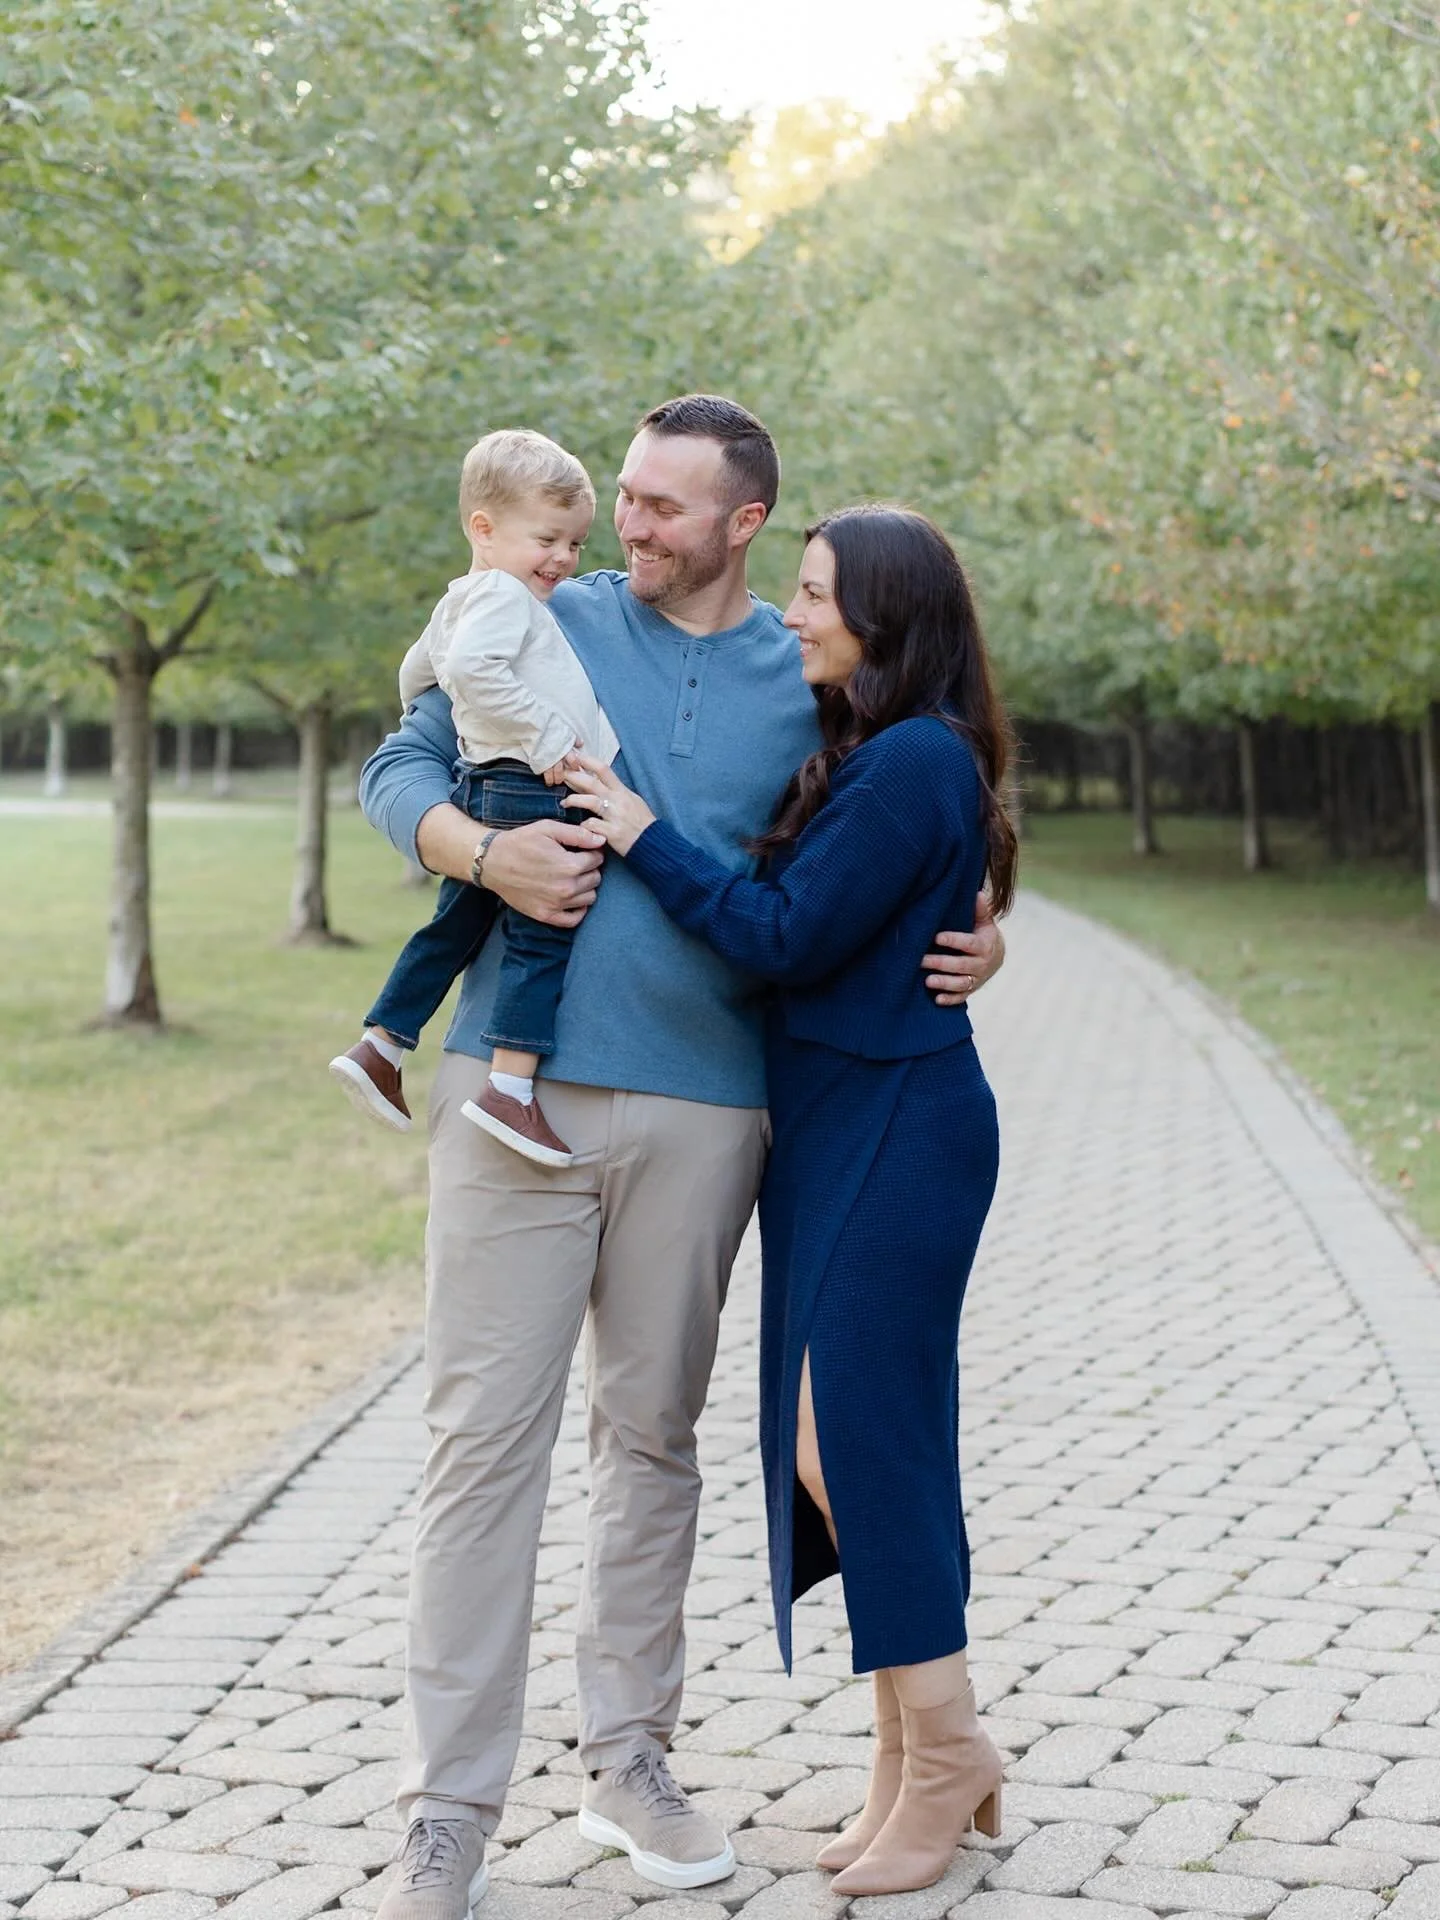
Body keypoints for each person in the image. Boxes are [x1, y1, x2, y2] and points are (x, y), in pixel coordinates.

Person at [357, 397, 1006, 1920]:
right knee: (479, 1450)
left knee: (653, 1447)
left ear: (745, 525)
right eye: (623, 500)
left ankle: (629, 1760)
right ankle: (447, 1810)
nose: (628, 530)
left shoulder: (817, 679)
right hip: (515, 1103)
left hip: (717, 1115)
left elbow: (917, 826)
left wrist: (986, 941)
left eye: (661, 509)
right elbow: (401, 767)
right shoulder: (539, 616)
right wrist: (476, 849)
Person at [563, 504, 1016, 1898]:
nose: (795, 615)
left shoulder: (910, 765)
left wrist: (640, 830)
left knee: (851, 1450)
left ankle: (948, 1751)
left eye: (816, 595)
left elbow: (781, 936)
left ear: (889, 616)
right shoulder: (882, 757)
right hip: (840, 1129)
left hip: (895, 1125)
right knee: (870, 1448)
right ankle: (909, 1758)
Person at [329, 429, 617, 1165]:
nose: (564, 558)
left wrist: (442, 713)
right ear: (484, 531)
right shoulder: (505, 596)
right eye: (548, 538)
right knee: (543, 931)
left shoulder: (462, 594)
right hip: (528, 784)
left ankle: (381, 1044)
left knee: (454, 927)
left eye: (576, 544)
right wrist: (550, 737)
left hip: (483, 782)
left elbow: (421, 669)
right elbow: (469, 668)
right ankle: (510, 1093)